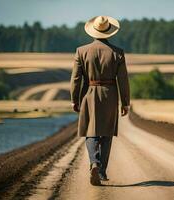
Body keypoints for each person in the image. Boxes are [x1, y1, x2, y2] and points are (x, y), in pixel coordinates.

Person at [70, 16, 130, 186]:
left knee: (91, 131)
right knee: (107, 132)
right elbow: (123, 80)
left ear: (93, 30)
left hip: (89, 94)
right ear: (109, 31)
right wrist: (125, 102)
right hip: (110, 94)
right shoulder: (118, 52)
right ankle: (102, 171)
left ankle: (94, 163)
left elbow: (76, 79)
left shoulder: (81, 51)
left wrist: (74, 99)